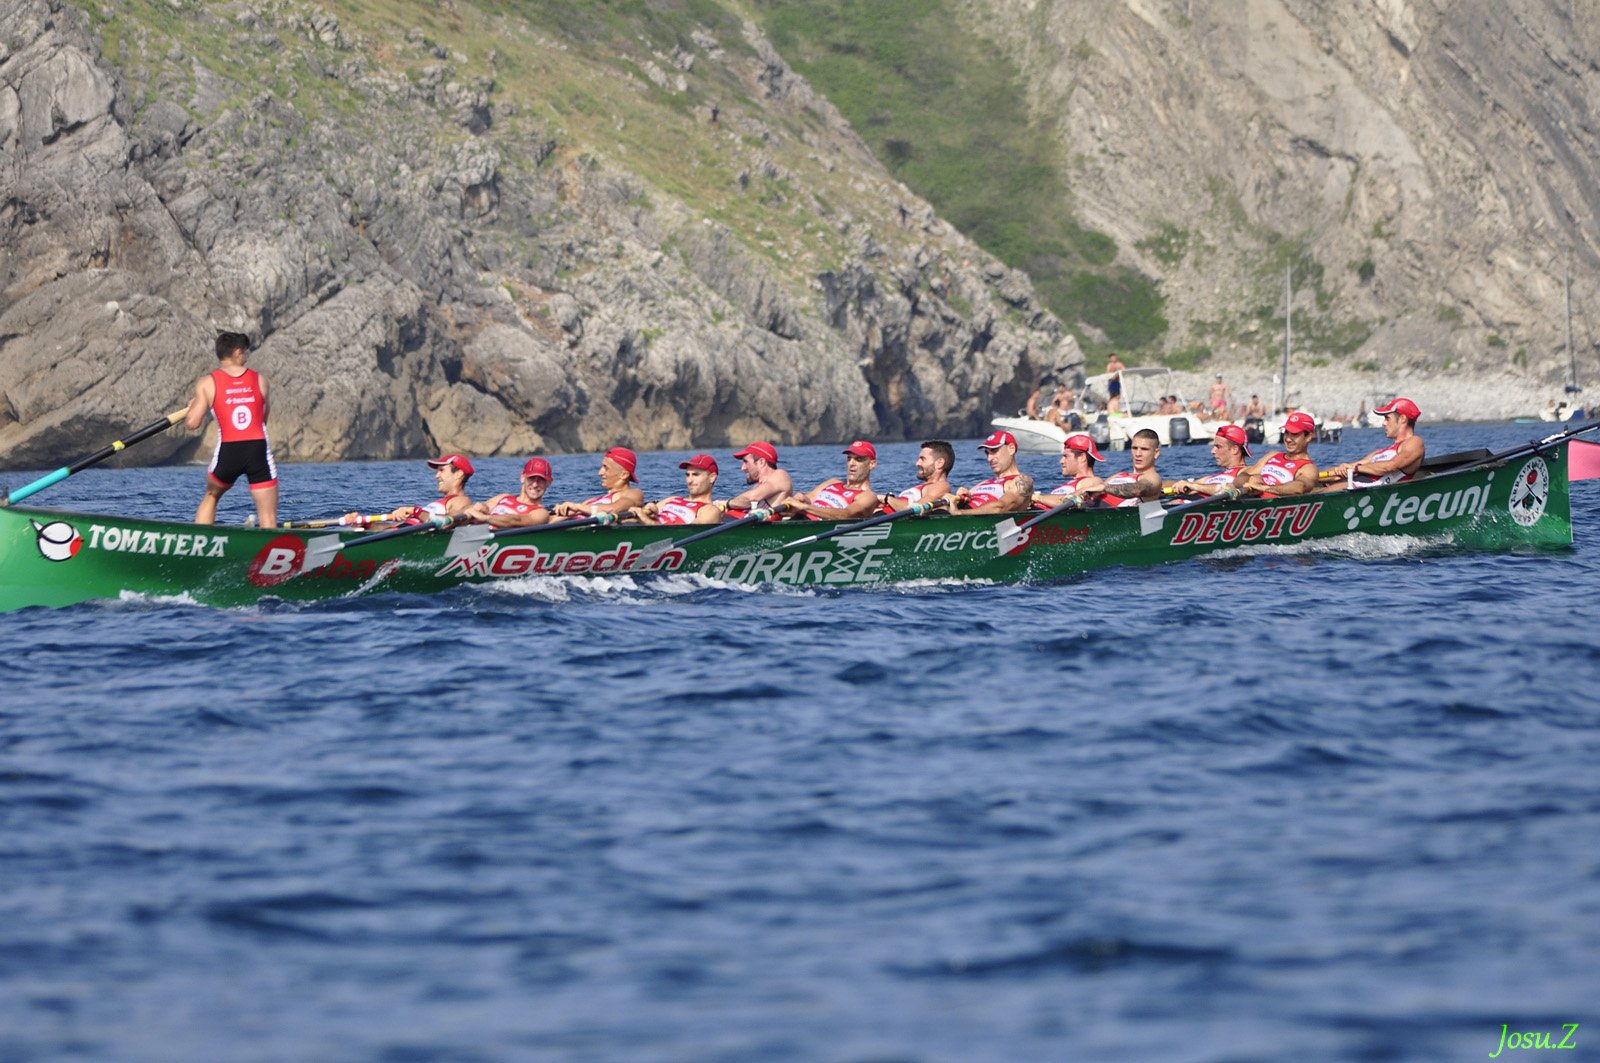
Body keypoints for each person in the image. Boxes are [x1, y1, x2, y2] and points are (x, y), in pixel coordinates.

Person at [185, 331, 277, 526]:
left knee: (211, 496)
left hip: (229, 450)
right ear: (237, 352)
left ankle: (200, 543)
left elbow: (192, 423)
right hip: (257, 449)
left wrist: (193, 405)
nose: (246, 355)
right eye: (244, 351)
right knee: (267, 516)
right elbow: (263, 419)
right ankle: (270, 550)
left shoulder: (207, 383)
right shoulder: (261, 380)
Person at [1319, 398, 1425, 490]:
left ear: (1402, 419)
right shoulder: (1379, 452)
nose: (1384, 423)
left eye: (1387, 418)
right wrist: (1339, 469)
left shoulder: (1415, 442)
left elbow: (1389, 466)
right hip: (1356, 482)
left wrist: (1355, 468)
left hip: (1370, 488)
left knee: (1328, 490)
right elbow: (1353, 466)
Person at [350, 454, 476, 525]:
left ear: (459, 474)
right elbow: (392, 530)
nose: (436, 476)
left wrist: (416, 511)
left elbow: (449, 522)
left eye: (441, 470)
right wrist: (366, 525)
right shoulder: (438, 504)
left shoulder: (461, 501)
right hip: (400, 537)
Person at [780, 440, 880, 520]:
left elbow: (846, 514)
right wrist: (800, 499)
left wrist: (804, 507)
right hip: (799, 519)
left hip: (815, 527)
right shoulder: (832, 483)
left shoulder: (868, 496)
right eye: (849, 459)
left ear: (872, 464)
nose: (851, 463)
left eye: (858, 459)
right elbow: (808, 498)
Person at [1235, 412, 1320, 497]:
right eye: (1286, 433)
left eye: (1294, 434)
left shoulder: (1309, 468)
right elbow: (1239, 478)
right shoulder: (1272, 455)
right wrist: (1249, 479)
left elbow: (1299, 488)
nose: (1288, 439)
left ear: (1308, 437)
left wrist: (1262, 488)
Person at [951, 431, 1033, 514]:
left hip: (973, 520)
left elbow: (1000, 507)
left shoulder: (1023, 481)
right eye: (987, 453)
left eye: (994, 451)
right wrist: (959, 499)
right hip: (960, 515)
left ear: (1011, 449)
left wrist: (961, 513)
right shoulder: (984, 483)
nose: (989, 458)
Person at [551, 447, 645, 519]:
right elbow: (556, 520)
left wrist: (577, 506)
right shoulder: (590, 501)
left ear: (624, 475)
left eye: (606, 468)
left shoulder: (634, 493)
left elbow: (614, 509)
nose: (600, 472)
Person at [630, 454, 723, 525]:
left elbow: (687, 534)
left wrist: (646, 521)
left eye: (695, 475)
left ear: (712, 477)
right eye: (687, 475)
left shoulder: (710, 510)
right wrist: (648, 508)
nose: (689, 480)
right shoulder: (672, 499)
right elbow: (646, 513)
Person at [462, 457, 552, 529]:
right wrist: (476, 508)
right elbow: (481, 507)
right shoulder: (503, 497)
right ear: (522, 477)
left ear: (548, 483)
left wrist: (485, 518)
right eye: (531, 478)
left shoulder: (541, 513)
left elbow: (516, 520)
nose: (535, 484)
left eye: (541, 480)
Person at [1167, 424, 1252, 497]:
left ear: (1234, 449)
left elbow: (1231, 488)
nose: (1212, 451)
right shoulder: (1209, 478)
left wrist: (1194, 487)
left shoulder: (1247, 471)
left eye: (1218, 447)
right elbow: (1181, 484)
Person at [1088, 428, 1164, 506]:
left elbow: (1136, 489)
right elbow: (1097, 490)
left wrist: (1104, 488)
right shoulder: (1119, 475)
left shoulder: (1153, 478)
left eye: (1144, 449)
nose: (1138, 454)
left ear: (1156, 453)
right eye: (1134, 448)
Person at [1032, 433, 1104, 508]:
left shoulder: (1093, 481)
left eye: (1066, 456)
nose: (1061, 461)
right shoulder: (1075, 484)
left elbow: (1067, 501)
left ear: (1082, 457)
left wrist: (1037, 498)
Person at [884, 440, 955, 511]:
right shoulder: (927, 487)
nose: (917, 463)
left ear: (939, 463)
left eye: (922, 459)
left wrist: (887, 499)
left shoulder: (941, 486)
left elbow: (915, 508)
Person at [724, 441, 794, 512]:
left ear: (761, 462)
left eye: (746, 462)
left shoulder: (780, 475)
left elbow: (752, 497)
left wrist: (726, 503)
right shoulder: (759, 487)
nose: (743, 468)